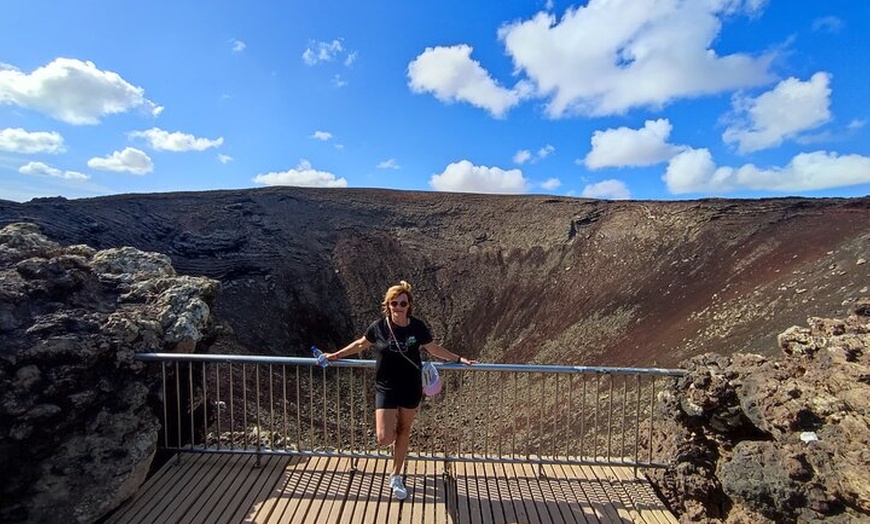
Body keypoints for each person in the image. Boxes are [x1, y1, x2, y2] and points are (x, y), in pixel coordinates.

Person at [325, 280, 476, 501]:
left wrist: (459, 359)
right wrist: (336, 355)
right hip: (386, 387)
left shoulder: (417, 327)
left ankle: (396, 474)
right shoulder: (379, 327)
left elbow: (433, 349)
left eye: (402, 303)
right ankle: (396, 449)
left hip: (411, 385)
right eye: (394, 303)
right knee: (384, 437)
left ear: (409, 305)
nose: (398, 307)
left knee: (404, 430)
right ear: (388, 305)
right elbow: (360, 344)